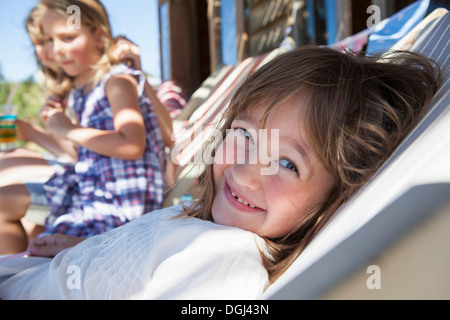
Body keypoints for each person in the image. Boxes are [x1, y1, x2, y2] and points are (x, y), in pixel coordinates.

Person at [0, 45, 440, 299]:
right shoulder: (204, 224)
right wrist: (91, 253)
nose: (248, 173)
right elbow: (151, 257)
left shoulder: (225, 261)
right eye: (245, 136)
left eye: (288, 163)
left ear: (334, 198)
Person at [0, 0, 166, 254]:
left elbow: (132, 145)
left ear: (100, 38)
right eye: (50, 40)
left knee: (37, 240)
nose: (57, 51)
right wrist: (42, 131)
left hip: (119, 203)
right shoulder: (81, 92)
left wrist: (68, 129)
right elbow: (83, 154)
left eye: (68, 37)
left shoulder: (117, 81)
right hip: (91, 191)